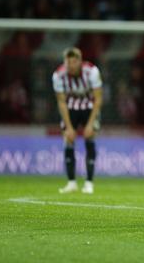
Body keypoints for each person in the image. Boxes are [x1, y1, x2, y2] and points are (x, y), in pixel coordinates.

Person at [53, 47, 103, 194]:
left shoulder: (92, 71)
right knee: (67, 139)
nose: (71, 66)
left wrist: (90, 125)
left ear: (80, 62)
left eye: (74, 62)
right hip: (71, 108)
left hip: (89, 107)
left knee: (90, 138)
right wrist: (68, 127)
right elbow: (61, 102)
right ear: (65, 63)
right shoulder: (58, 75)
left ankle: (89, 183)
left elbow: (98, 98)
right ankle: (71, 182)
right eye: (68, 63)